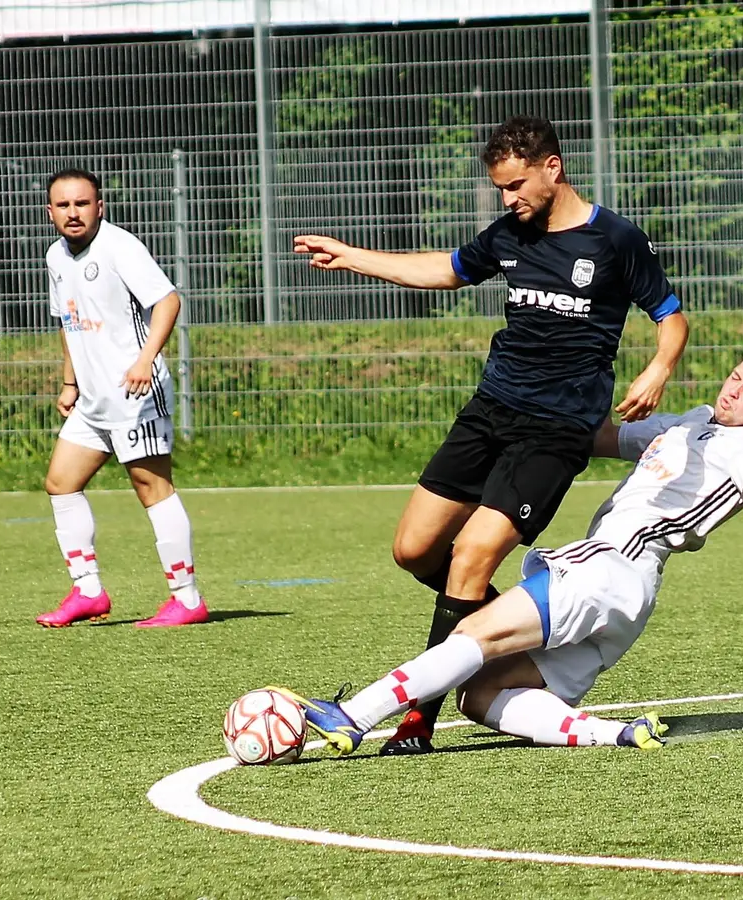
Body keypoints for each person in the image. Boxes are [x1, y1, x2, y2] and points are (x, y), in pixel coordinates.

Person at [293, 115, 689, 753]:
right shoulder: (510, 232)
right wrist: (352, 257)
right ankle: (502, 626)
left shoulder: (614, 239)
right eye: (500, 189)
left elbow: (670, 316)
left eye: (515, 185)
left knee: (474, 556)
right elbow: (446, 269)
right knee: (415, 550)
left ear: (551, 167)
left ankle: (415, 719)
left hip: (557, 430)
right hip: (490, 412)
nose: (508, 200)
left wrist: (658, 369)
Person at [271, 347, 743, 754]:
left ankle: (352, 716)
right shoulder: (693, 422)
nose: (734, 390)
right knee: (480, 695)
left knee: (472, 633)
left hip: (609, 569)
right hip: (627, 596)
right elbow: (599, 438)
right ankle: (617, 735)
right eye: (736, 377)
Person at [34, 168, 208, 628]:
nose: (73, 213)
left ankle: (186, 598)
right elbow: (68, 322)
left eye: (82, 203)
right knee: (61, 483)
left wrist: (144, 360)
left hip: (136, 394)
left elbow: (168, 300)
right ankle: (88, 591)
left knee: (152, 488)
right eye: (64, 205)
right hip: (92, 399)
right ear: (49, 211)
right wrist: (70, 383)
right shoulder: (55, 257)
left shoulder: (119, 246)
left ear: (99, 207)